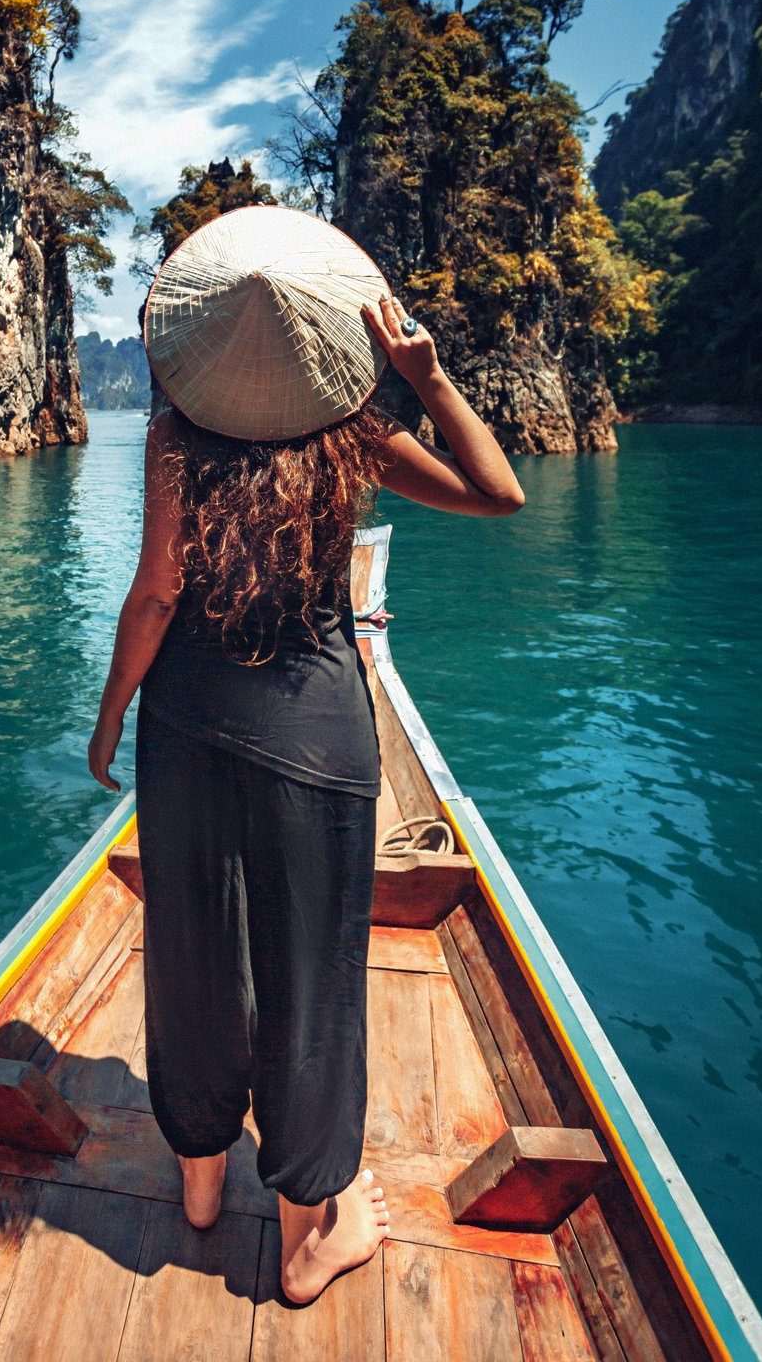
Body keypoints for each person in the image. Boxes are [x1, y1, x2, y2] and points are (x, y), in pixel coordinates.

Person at [87, 207, 524, 1305]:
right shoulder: (355, 434)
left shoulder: (175, 437)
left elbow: (154, 595)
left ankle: (195, 1189)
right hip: (315, 739)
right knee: (307, 980)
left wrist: (104, 724)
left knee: (191, 951)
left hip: (183, 730)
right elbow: (495, 492)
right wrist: (423, 377)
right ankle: (303, 1241)